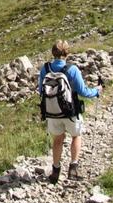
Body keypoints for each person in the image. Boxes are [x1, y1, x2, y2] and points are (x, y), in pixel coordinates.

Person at [38, 40, 101, 183]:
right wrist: (96, 91)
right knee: (76, 136)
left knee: (57, 140)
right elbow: (83, 91)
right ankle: (73, 168)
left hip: (52, 112)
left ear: (53, 53)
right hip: (70, 112)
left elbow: (41, 91)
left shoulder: (45, 69)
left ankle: (55, 172)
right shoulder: (72, 69)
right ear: (67, 53)